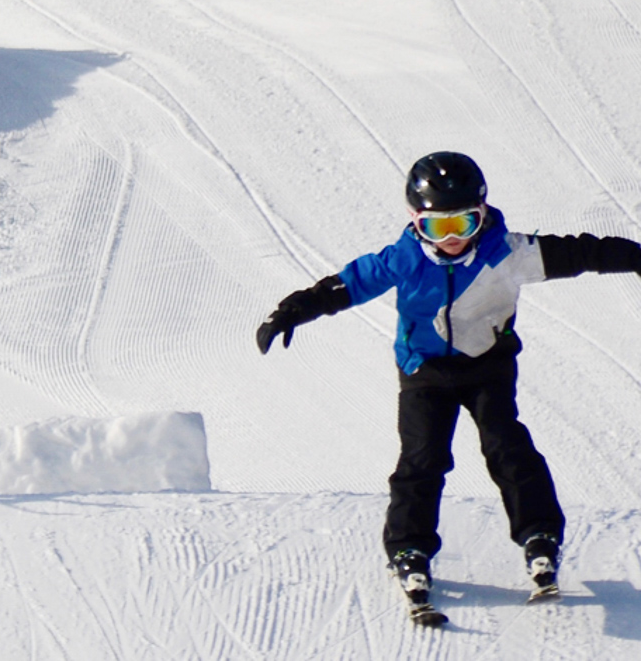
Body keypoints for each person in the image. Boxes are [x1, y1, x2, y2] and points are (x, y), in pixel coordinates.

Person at [256, 151, 641, 604]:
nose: (454, 238)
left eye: (465, 223)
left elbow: (582, 251)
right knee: (422, 458)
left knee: (506, 445)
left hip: (487, 366)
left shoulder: (510, 253)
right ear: (415, 222)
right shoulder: (403, 260)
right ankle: (409, 548)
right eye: (438, 227)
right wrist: (292, 311)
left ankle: (539, 536)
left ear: (483, 214)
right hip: (424, 370)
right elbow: (347, 285)